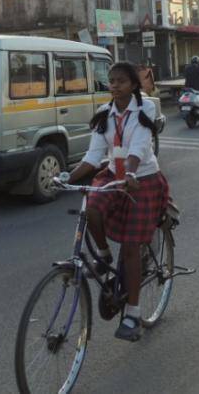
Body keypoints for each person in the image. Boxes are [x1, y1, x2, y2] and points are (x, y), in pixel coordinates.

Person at [60, 61, 170, 342]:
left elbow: (140, 146)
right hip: (112, 175)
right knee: (92, 208)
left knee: (132, 247)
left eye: (120, 81)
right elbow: (93, 157)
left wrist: (131, 171)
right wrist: (67, 179)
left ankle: (133, 314)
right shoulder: (103, 115)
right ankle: (105, 254)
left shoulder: (144, 108)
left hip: (141, 178)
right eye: (111, 81)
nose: (114, 85)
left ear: (132, 84)